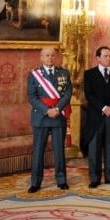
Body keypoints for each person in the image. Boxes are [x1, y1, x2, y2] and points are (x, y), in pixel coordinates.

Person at [27, 47, 72, 193]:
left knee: (59, 150)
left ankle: (61, 180)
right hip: (41, 117)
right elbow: (32, 98)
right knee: (38, 151)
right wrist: (47, 111)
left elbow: (67, 94)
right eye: (47, 55)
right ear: (41, 57)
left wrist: (57, 109)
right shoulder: (34, 75)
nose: (50, 58)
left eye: (52, 55)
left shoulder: (64, 73)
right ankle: (36, 182)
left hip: (58, 116)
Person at [83, 46, 110, 188]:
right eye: (106, 56)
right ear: (98, 58)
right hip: (96, 117)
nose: (109, 58)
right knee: (94, 148)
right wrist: (103, 108)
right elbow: (89, 95)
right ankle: (94, 178)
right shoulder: (89, 74)